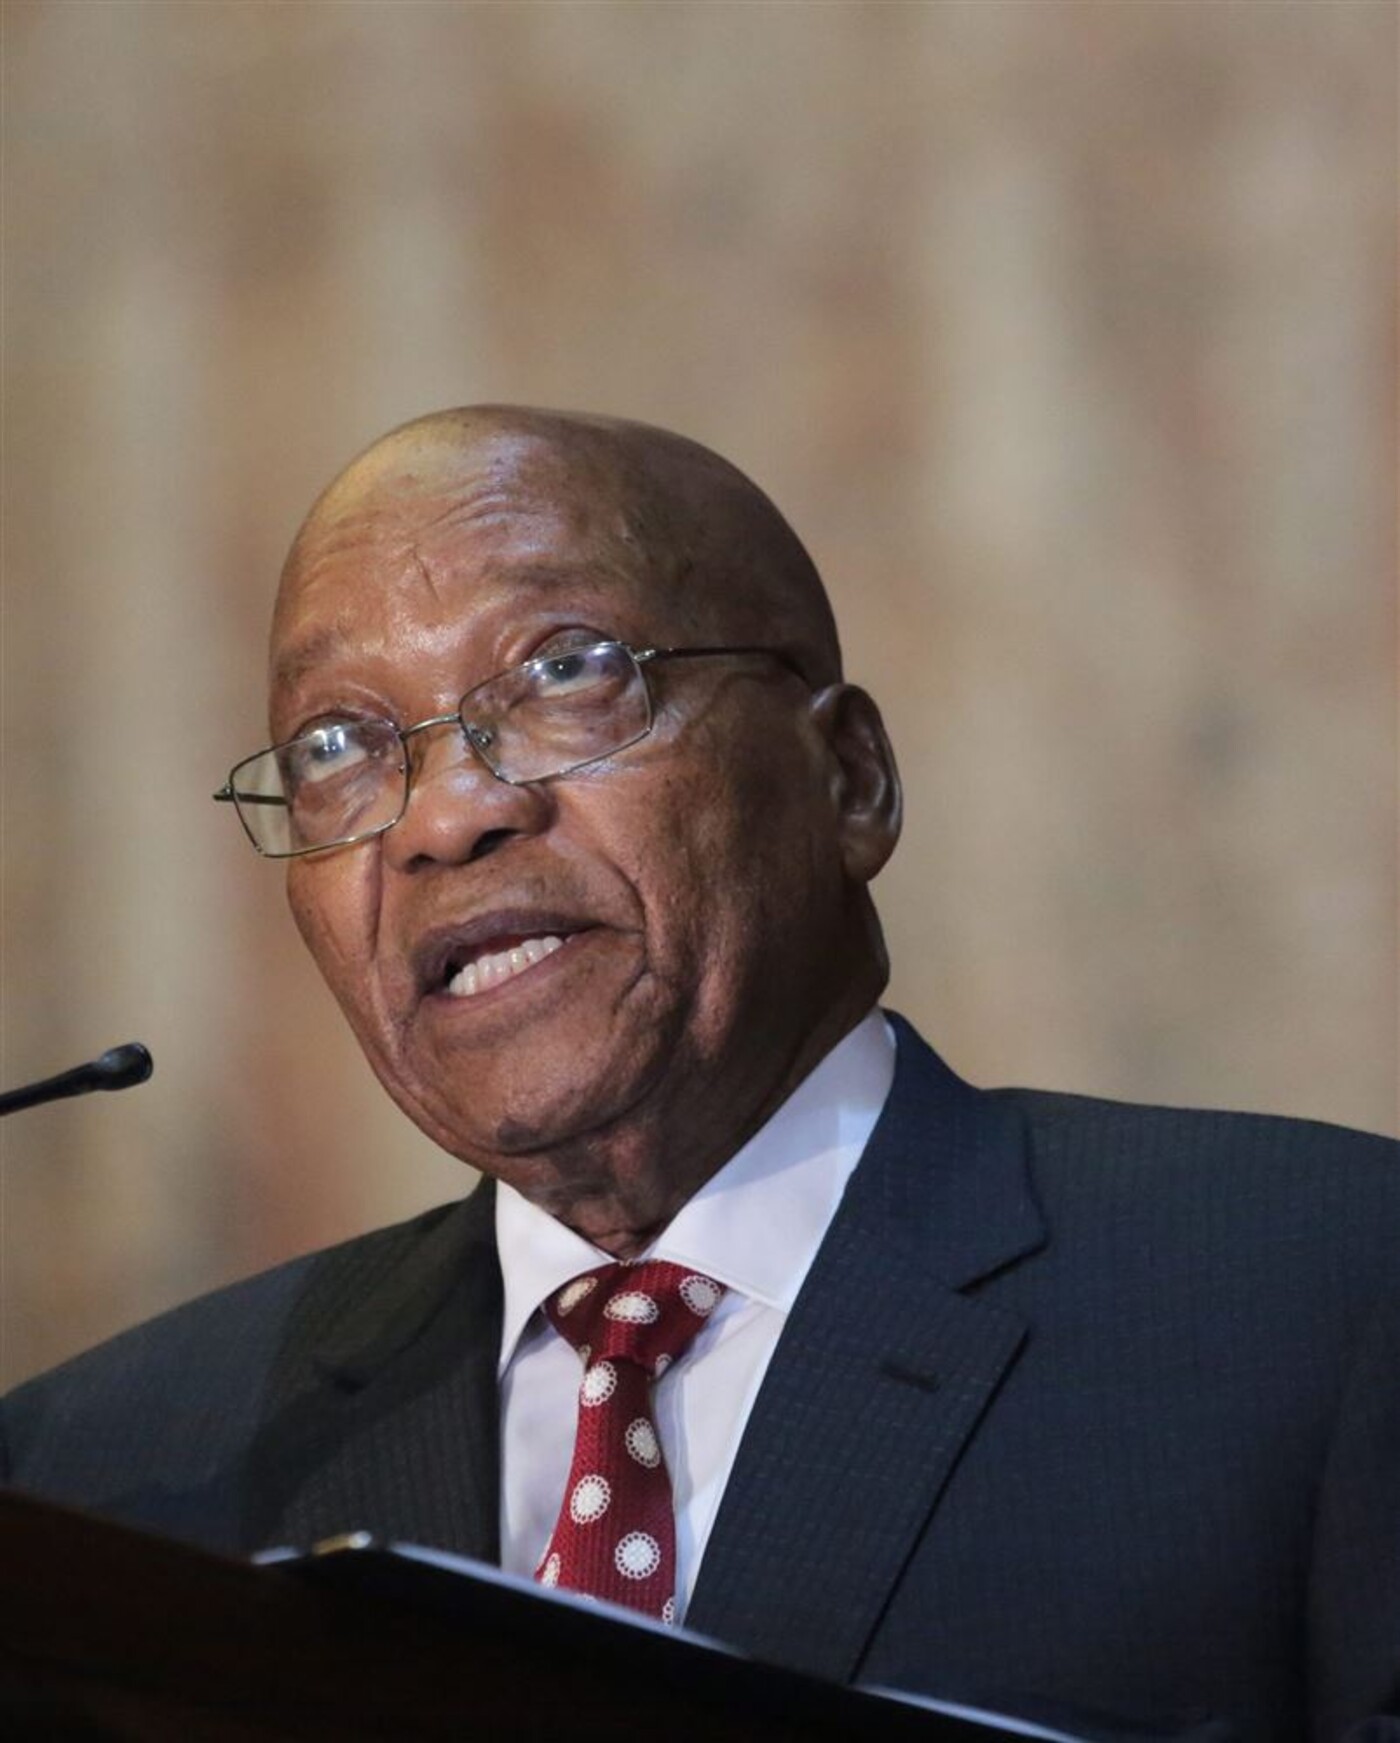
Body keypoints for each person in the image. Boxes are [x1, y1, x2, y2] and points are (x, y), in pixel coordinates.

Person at [3, 408, 1396, 1742]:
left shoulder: (1322, 1296)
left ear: (849, 779)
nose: (445, 817)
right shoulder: (96, 1474)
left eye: (563, 673)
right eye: (337, 748)